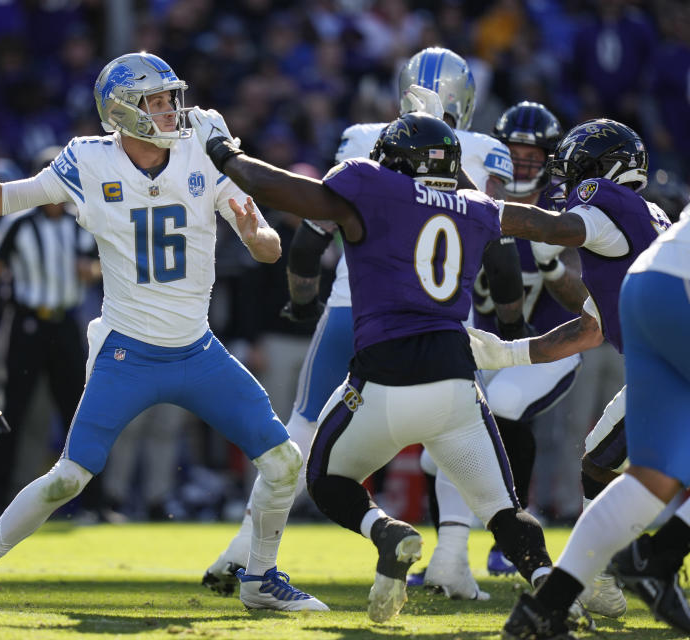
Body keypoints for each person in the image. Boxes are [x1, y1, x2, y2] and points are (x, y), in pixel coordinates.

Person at [0, 51, 327, 612]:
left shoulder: (204, 141)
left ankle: (259, 579)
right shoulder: (88, 162)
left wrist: (251, 230)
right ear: (123, 110)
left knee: (284, 462)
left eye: (172, 97)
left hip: (197, 350)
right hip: (128, 352)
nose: (172, 109)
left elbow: (268, 250)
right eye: (158, 100)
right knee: (69, 477)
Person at [188, 106, 566, 623]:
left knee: (324, 477)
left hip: (384, 375)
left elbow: (283, 193)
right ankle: (551, 590)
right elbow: (535, 229)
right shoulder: (477, 206)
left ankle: (385, 531)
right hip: (456, 383)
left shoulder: (369, 184)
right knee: (505, 511)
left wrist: (223, 152)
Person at [461, 119, 673, 635]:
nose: (566, 175)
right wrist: (506, 354)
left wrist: (470, 206)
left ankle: (592, 576)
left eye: (577, 164)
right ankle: (599, 573)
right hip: (665, 367)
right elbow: (588, 330)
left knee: (610, 470)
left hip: (672, 372)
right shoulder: (647, 220)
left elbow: (551, 229)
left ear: (602, 169)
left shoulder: (607, 207)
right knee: (598, 467)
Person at [499, 215, 690, 639]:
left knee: (648, 481)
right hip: (680, 289)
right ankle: (658, 556)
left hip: (646, 284)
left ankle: (543, 611)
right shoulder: (607, 199)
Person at [0, 151, 100, 519]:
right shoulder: (18, 223)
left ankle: (94, 501)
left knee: (80, 412)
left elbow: (98, 266)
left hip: (64, 323)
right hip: (27, 323)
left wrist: (89, 271)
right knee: (13, 410)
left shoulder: (80, 222)